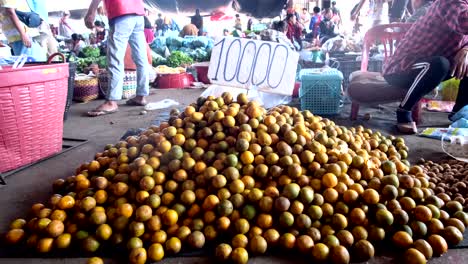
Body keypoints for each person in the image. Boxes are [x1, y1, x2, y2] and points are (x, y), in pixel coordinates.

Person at [383, 0, 468, 134]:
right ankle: (403, 112)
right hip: (401, 68)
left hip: (429, 67)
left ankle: (460, 112)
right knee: (440, 64)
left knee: (453, 62)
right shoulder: (450, 2)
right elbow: (464, 22)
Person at [85, 0, 149, 116]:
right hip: (138, 14)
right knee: (141, 58)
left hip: (121, 12)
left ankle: (111, 101)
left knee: (115, 59)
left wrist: (91, 12)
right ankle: (141, 95)